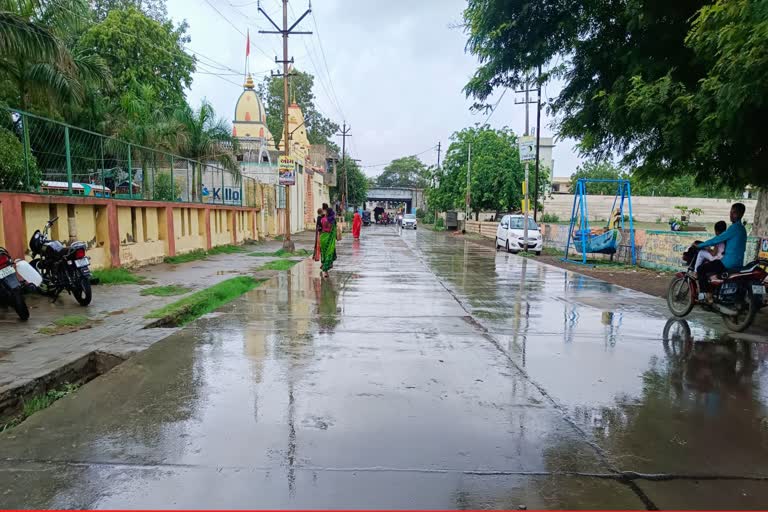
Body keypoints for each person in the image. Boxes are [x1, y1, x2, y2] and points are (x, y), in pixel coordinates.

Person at [695, 203, 748, 302]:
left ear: (740, 214)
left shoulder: (734, 228)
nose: (731, 215)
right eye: (731, 212)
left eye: (734, 213)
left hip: (727, 263)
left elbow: (716, 240)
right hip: (739, 264)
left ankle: (706, 295)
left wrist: (699, 245)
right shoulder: (743, 229)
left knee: (701, 268)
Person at [319, 207, 336, 278]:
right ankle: (326, 271)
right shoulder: (332, 220)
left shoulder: (322, 219)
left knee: (324, 253)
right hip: (329, 238)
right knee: (330, 253)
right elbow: (333, 230)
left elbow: (320, 228)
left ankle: (323, 264)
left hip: (322, 237)